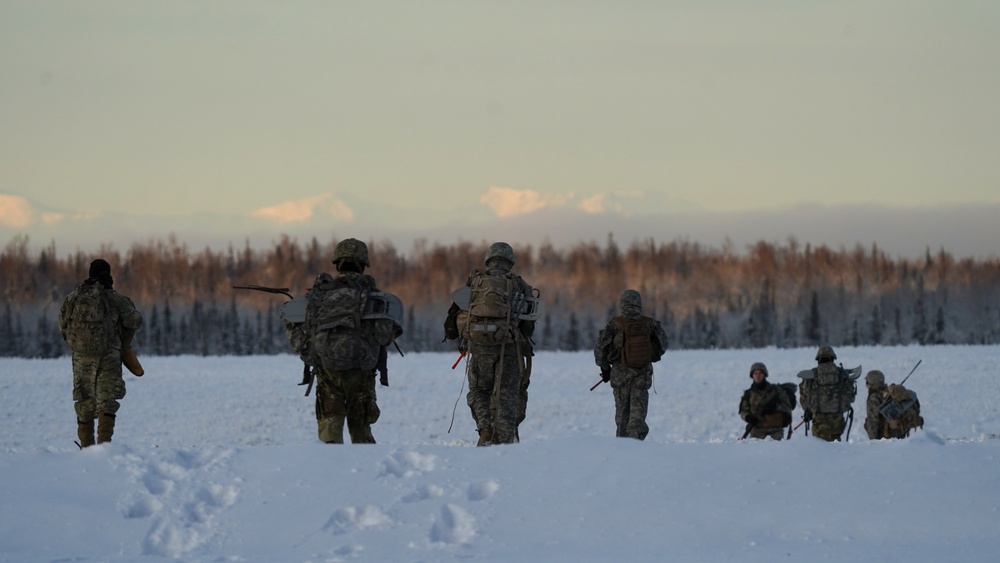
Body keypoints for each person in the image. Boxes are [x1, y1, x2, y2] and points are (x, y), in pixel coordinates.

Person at [284, 238, 401, 444]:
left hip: (327, 371)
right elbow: (384, 337)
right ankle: (363, 473)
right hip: (361, 373)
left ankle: (333, 472)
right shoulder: (375, 298)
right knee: (361, 435)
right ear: (364, 265)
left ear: (337, 264)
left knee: (330, 433)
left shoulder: (317, 297)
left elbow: (299, 337)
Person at [444, 242, 536, 446]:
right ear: (510, 262)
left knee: (479, 391)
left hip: (478, 349)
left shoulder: (474, 282)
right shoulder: (519, 284)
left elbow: (452, 321)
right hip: (509, 350)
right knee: (506, 395)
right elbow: (529, 326)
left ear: (489, 259)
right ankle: (503, 441)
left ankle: (485, 430)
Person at [58, 259, 143, 447]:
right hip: (109, 356)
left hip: (81, 358)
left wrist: (79, 345)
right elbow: (135, 320)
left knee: (84, 401)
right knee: (107, 401)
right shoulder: (116, 298)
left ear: (90, 273)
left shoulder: (74, 297)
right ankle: (104, 448)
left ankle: (86, 449)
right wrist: (122, 342)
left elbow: (63, 325)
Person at [593, 289, 668, 440]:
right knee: (637, 418)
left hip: (620, 377)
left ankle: (623, 448)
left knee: (622, 418)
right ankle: (637, 446)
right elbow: (663, 344)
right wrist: (651, 356)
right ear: (639, 304)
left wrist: (605, 368)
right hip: (642, 376)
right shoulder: (650, 323)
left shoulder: (615, 324)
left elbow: (600, 350)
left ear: (622, 304)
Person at [797, 345, 860, 442]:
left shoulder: (812, 375)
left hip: (819, 421)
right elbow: (850, 398)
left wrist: (809, 410)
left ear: (818, 359)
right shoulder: (842, 374)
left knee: (819, 448)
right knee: (836, 448)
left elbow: (804, 398)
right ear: (832, 358)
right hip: (838, 421)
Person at [738, 362, 793, 440]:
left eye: (760, 373)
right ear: (752, 376)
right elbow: (743, 411)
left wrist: (775, 407)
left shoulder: (776, 390)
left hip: (776, 430)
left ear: (764, 374)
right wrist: (748, 417)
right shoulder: (748, 394)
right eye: (755, 373)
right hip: (757, 431)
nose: (758, 376)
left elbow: (788, 406)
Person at [864, 370, 923, 440]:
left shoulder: (874, 398)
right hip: (899, 432)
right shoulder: (890, 393)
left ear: (872, 383)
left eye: (867, 382)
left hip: (885, 436)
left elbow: (873, 421)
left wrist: (873, 440)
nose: (866, 385)